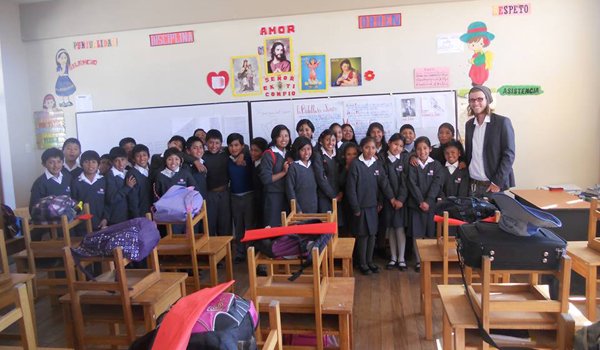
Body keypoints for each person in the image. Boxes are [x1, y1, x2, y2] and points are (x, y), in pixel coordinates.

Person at [345, 137, 398, 275]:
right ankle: (362, 263)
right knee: (362, 236)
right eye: (367, 147)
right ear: (362, 148)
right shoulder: (356, 164)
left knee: (372, 235)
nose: (370, 150)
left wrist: (388, 199)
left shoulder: (377, 163)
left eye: (373, 148)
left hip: (373, 207)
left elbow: (383, 183)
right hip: (360, 208)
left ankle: (370, 261)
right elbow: (350, 189)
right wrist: (355, 208)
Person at [464, 85, 515, 197]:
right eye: (472, 100)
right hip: (473, 184)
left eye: (480, 99)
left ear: (487, 100)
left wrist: (497, 182)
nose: (475, 103)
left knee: (495, 215)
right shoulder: (469, 125)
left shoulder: (502, 122)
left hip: (492, 186)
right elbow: (469, 153)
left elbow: (509, 155)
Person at [407, 136, 444, 272]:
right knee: (417, 234)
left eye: (425, 148)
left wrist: (428, 201)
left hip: (431, 206)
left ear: (430, 149)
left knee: (429, 233)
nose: (422, 152)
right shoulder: (412, 164)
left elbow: (436, 184)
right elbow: (412, 184)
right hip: (416, 205)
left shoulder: (436, 165)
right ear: (415, 151)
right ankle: (418, 261)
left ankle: (428, 260)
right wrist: (420, 201)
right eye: (418, 149)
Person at [382, 134, 409, 271]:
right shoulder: (382, 158)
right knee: (391, 228)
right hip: (388, 200)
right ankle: (393, 257)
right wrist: (391, 198)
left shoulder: (405, 159)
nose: (397, 148)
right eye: (395, 144)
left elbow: (406, 181)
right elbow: (383, 181)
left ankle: (401, 258)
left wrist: (400, 199)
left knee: (399, 228)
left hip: (400, 201)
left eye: (400, 146)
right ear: (389, 143)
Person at [227, 133, 255, 262]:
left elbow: (249, 147)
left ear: (242, 146)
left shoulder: (248, 157)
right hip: (234, 197)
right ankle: (239, 253)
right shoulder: (226, 159)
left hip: (249, 196)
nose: (234, 148)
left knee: (249, 226)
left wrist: (243, 153)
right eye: (231, 145)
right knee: (238, 226)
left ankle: (251, 251)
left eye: (237, 145)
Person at [258, 125, 291, 227]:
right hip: (273, 196)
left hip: (287, 195)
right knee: (273, 226)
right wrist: (283, 172)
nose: (284, 139)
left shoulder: (288, 153)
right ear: (274, 137)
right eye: (280, 136)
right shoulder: (269, 154)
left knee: (286, 227)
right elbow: (266, 179)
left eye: (286, 136)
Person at [202, 129, 231, 236]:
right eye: (211, 142)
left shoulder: (226, 153)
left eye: (217, 143)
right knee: (210, 224)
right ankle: (212, 251)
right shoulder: (202, 156)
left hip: (225, 193)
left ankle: (226, 251)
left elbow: (244, 147)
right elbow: (184, 155)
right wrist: (195, 161)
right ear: (205, 143)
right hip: (209, 195)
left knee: (225, 224)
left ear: (221, 144)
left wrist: (241, 155)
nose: (214, 146)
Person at [71, 150, 108, 231]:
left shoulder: (103, 181)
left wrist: (105, 218)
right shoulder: (76, 182)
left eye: (94, 162)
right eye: (86, 162)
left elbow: (107, 202)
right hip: (81, 224)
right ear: (82, 164)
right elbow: (75, 204)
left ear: (98, 164)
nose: (90, 165)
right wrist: (80, 214)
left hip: (101, 223)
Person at [29, 147, 72, 214]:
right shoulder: (39, 183)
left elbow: (75, 200)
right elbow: (33, 209)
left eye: (59, 162)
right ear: (44, 164)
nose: (56, 165)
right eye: (51, 162)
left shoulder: (68, 177)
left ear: (63, 162)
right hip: (50, 221)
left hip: (70, 218)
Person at [286, 136, 318, 214]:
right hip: (300, 209)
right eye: (302, 150)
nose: (306, 152)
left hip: (314, 207)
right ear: (297, 151)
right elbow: (290, 190)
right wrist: (297, 209)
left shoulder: (313, 164)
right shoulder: (293, 166)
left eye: (308, 149)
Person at [313, 129, 342, 214]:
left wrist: (340, 193)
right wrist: (333, 196)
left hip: (338, 196)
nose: (330, 143)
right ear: (321, 141)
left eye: (333, 140)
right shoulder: (318, 156)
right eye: (327, 140)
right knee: (327, 223)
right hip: (325, 196)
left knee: (338, 224)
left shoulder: (338, 154)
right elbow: (321, 178)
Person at [105, 146, 136, 225]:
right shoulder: (110, 176)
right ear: (112, 162)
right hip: (117, 218)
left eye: (122, 159)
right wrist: (127, 187)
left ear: (127, 159)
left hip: (129, 215)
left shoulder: (128, 172)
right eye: (116, 161)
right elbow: (112, 199)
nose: (121, 163)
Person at [127, 144, 153, 218]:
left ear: (148, 156)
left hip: (153, 212)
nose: (142, 158)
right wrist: (137, 217)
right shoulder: (132, 173)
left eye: (144, 155)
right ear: (134, 159)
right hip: (141, 214)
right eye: (138, 156)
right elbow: (132, 199)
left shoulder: (152, 171)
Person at [250, 137, 268, 228]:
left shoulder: (264, 166)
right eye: (251, 150)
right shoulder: (254, 162)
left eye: (256, 150)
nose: (252, 153)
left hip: (264, 199)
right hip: (256, 199)